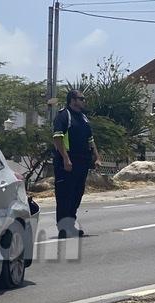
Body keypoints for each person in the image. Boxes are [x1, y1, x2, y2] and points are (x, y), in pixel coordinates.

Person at [52, 89, 101, 238]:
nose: (84, 101)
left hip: (82, 163)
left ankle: (70, 225)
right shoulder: (63, 116)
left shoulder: (83, 118)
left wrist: (97, 157)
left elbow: (90, 140)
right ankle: (63, 229)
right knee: (65, 195)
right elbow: (57, 138)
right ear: (72, 100)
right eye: (81, 98)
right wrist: (66, 159)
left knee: (76, 194)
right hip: (67, 163)